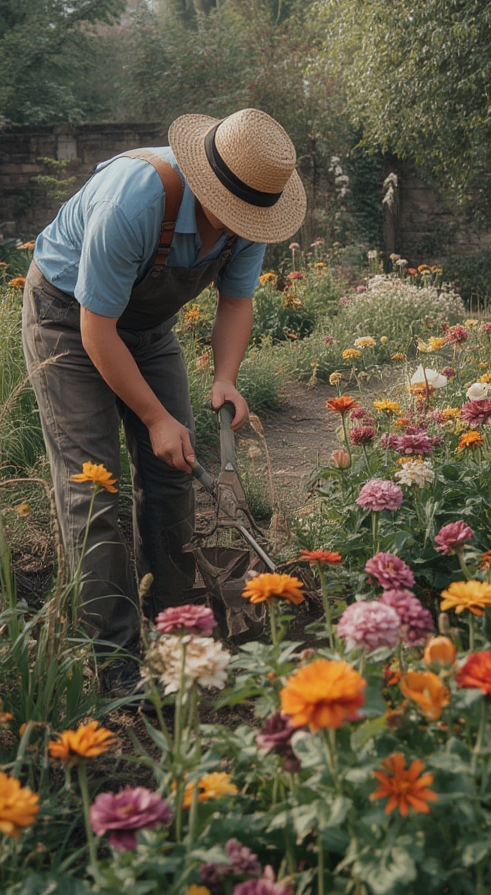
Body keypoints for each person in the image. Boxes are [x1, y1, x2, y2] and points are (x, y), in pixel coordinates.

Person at [22, 108, 306, 695]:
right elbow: (96, 330)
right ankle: (115, 661)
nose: (241, 225)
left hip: (148, 333)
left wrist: (225, 377)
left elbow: (236, 302)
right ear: (207, 188)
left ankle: (180, 628)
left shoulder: (248, 215)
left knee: (173, 474)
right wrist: (154, 417)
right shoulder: (132, 203)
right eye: (235, 214)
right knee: (93, 488)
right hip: (69, 324)